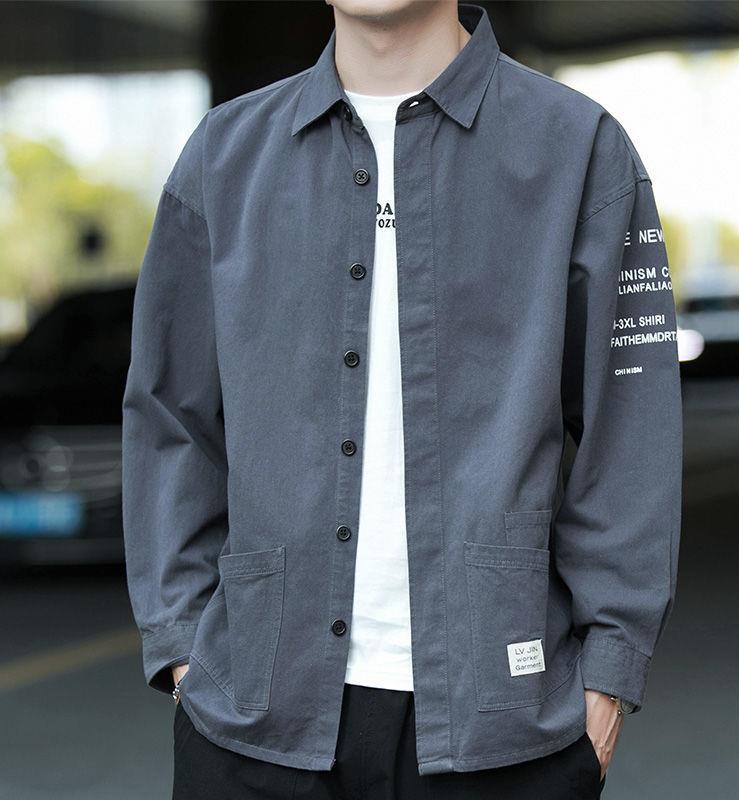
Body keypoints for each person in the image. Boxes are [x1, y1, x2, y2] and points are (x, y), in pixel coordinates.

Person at [121, 2, 683, 798]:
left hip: (505, 722)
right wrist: (183, 645)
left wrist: (608, 677)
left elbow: (630, 432)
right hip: (253, 723)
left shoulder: (579, 148)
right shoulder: (224, 156)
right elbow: (169, 418)